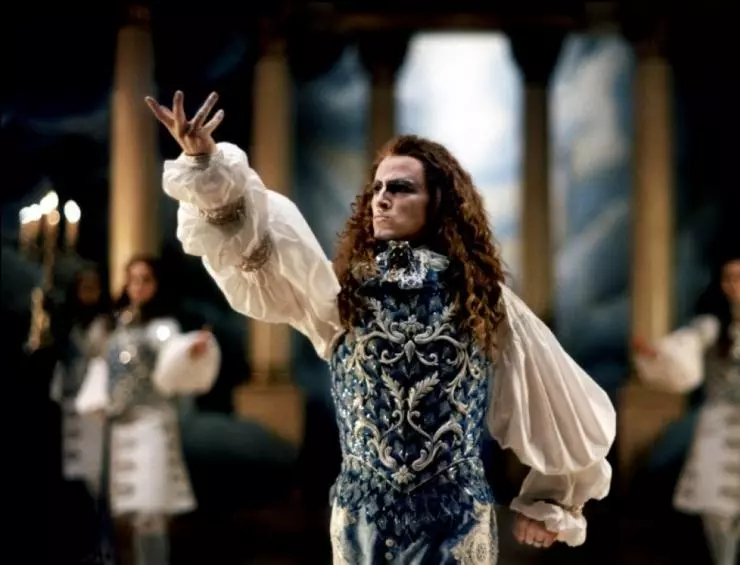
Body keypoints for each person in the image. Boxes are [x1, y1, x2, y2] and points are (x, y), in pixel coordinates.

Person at [146, 91, 616, 564]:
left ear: (439, 201)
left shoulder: (482, 299)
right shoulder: (339, 296)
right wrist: (205, 163)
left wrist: (553, 501)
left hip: (454, 527)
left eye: (401, 188)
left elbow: (554, 393)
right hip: (362, 526)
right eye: (377, 188)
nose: (382, 199)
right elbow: (257, 250)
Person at [75, 255, 221, 565]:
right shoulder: (113, 325)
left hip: (151, 422)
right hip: (117, 424)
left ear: (157, 284)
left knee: (151, 507)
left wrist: (192, 350)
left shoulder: (162, 327)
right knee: (120, 512)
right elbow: (96, 361)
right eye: (133, 279)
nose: (138, 286)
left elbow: (174, 354)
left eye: (146, 279)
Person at [634, 254, 740, 565]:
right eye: (728, 277)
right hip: (720, 427)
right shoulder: (712, 325)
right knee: (717, 510)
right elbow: (685, 345)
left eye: (739, 277)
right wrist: (658, 354)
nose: (734, 284)